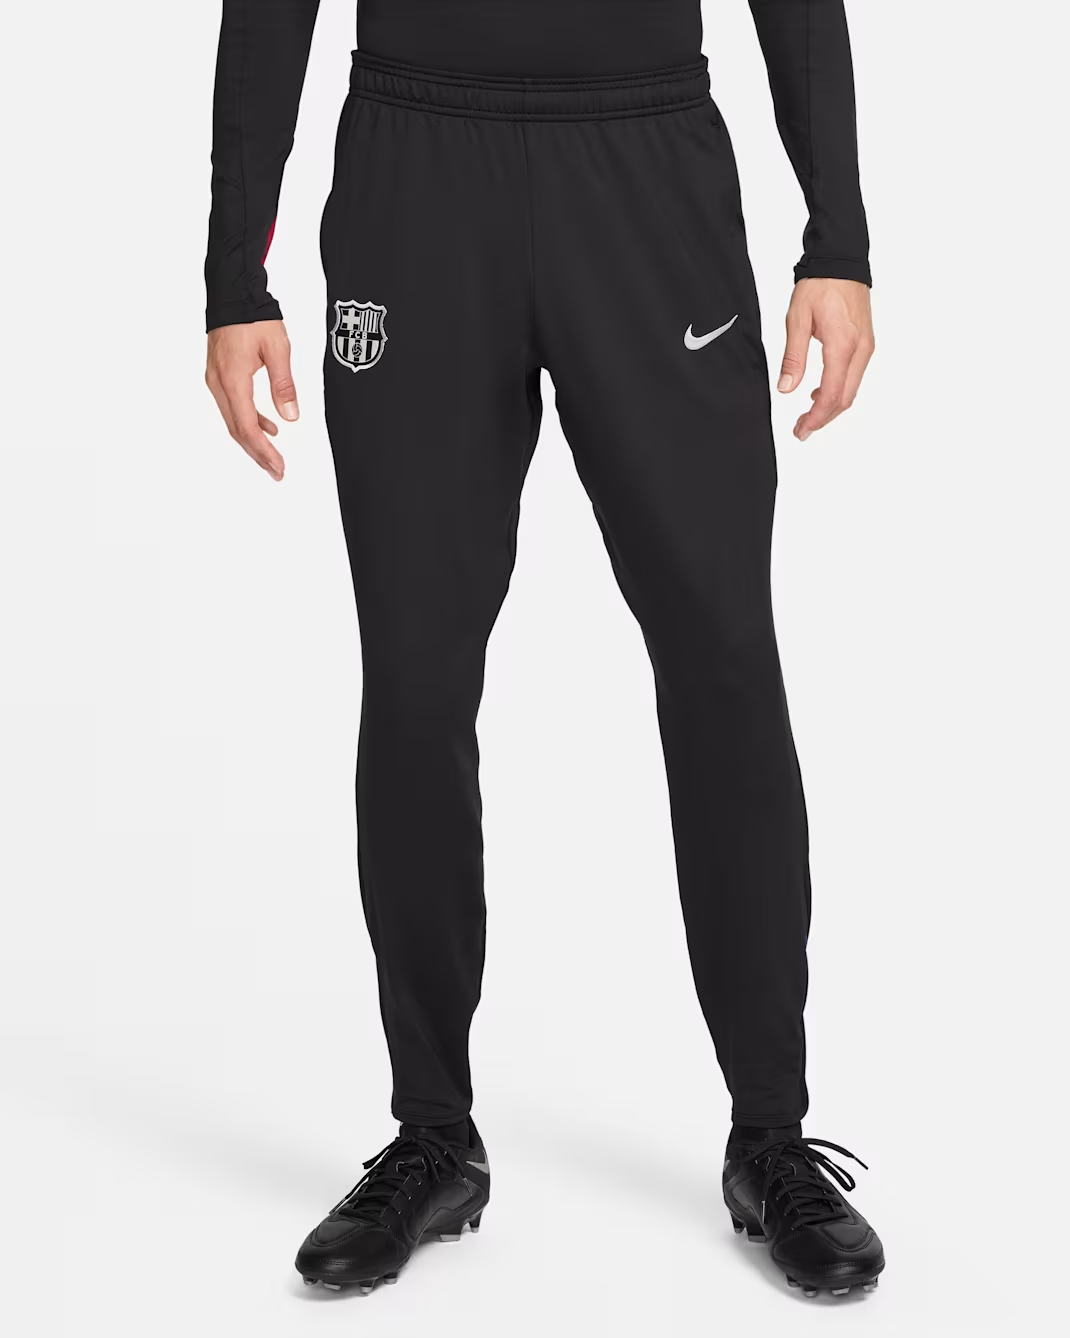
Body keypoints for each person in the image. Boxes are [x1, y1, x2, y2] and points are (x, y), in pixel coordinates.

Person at [204, 0, 883, 1301]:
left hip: (644, 164)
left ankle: (771, 1136)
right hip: (414, 174)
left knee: (723, 661)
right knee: (415, 681)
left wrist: (836, 237)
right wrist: (237, 272)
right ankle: (431, 1136)